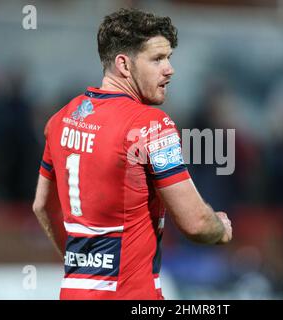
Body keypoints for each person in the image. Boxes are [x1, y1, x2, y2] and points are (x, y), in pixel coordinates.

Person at [32, 8, 232, 300]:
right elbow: (196, 223)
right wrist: (220, 228)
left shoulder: (60, 119)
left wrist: (85, 265)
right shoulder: (150, 125)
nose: (169, 69)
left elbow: (42, 207)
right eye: (157, 59)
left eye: (169, 58)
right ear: (124, 65)